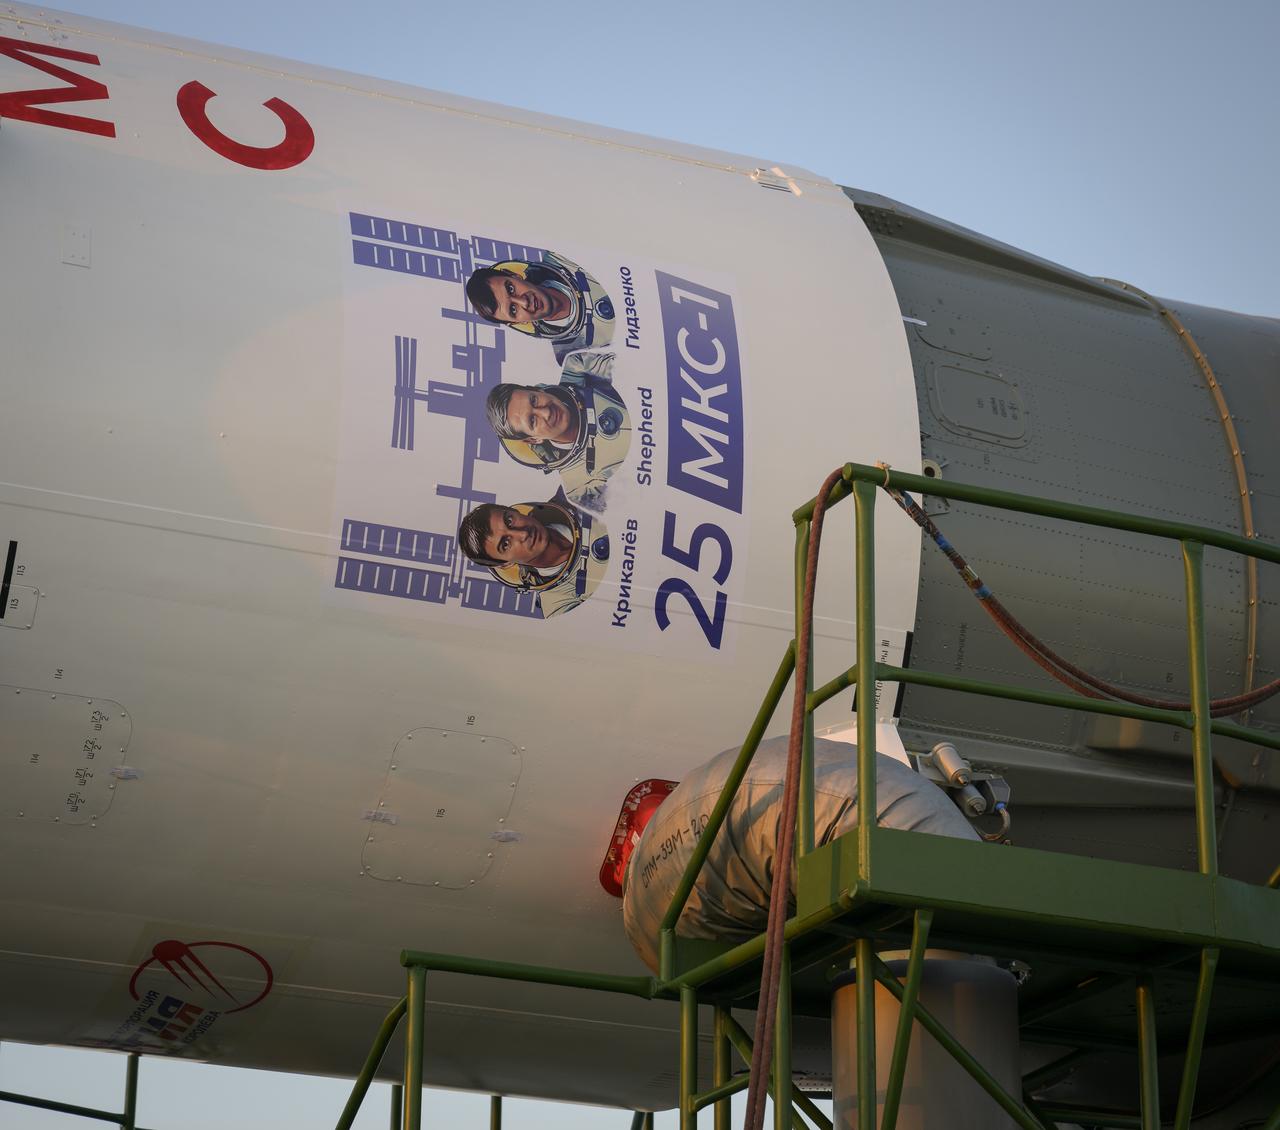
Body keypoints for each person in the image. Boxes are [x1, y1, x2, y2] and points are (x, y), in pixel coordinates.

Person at [484, 352, 629, 512]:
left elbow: (636, 365)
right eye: (533, 420)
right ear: (534, 440)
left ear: (538, 390)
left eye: (534, 400)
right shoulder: (579, 488)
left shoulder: (578, 367)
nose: (545, 412)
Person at [456, 496, 609, 619]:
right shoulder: (558, 604)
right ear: (505, 564)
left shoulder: (575, 497)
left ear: (515, 511)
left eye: (510, 520)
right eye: (506, 544)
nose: (522, 534)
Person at [465, 251, 614, 361]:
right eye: (513, 309)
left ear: (514, 275)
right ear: (518, 322)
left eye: (511, 289)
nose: (524, 302)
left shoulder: (563, 258)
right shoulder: (572, 354)